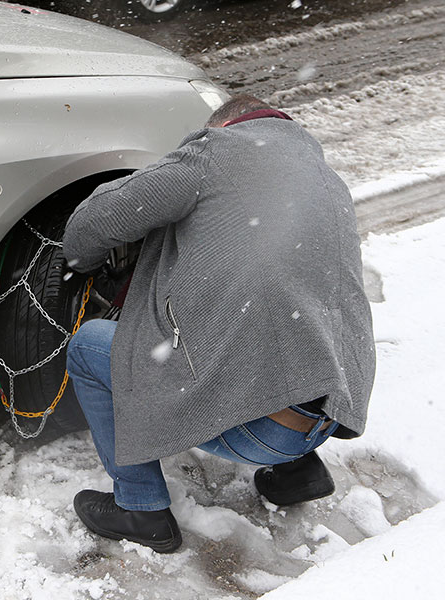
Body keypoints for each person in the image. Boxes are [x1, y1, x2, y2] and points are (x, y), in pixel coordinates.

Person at [61, 94, 375, 553]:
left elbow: (96, 222)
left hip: (258, 429)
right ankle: (298, 472)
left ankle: (140, 508)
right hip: (327, 414)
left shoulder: (214, 151)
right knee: (286, 311)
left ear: (223, 126)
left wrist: (80, 263)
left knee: (89, 347)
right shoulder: (324, 181)